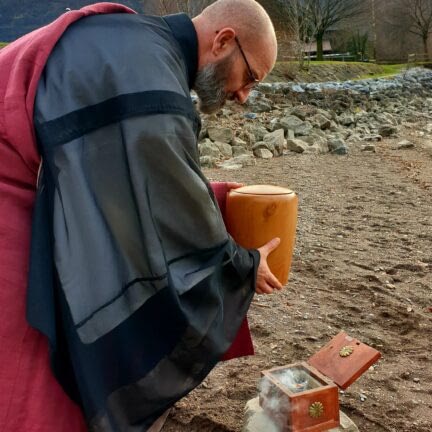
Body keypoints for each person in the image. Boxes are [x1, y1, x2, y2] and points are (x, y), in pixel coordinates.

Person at [0, 1, 280, 431]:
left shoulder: (136, 46)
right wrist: (242, 265)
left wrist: (217, 199)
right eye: (251, 78)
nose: (244, 95)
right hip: (14, 207)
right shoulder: (149, 73)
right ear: (224, 41)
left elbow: (117, 171)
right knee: (37, 381)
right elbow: (143, 194)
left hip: (35, 184)